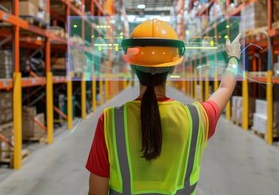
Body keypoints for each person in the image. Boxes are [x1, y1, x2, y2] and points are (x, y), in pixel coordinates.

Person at [86, 19, 242, 195]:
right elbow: (225, 88)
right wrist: (233, 58)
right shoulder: (197, 118)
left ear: (132, 66)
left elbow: (96, 192)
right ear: (173, 68)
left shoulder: (109, 121)